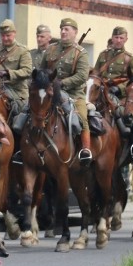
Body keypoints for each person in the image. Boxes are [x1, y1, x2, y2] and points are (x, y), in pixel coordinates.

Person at [37, 18, 92, 164]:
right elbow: (42, 70)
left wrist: (61, 83)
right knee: (27, 111)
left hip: (73, 94)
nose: (63, 32)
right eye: (62, 29)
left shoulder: (81, 53)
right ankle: (23, 148)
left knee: (81, 119)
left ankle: (85, 150)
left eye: (67, 29)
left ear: (75, 32)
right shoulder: (51, 49)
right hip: (49, 91)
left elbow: (82, 76)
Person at [0, 19, 32, 123]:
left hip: (16, 91)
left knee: (18, 112)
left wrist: (8, 73)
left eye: (8, 35)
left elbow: (27, 71)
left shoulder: (22, 51)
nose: (5, 38)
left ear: (14, 33)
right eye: (3, 36)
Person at [93, 26, 133, 100]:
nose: (118, 40)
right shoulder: (103, 54)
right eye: (116, 37)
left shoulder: (131, 58)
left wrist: (119, 88)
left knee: (120, 111)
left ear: (126, 40)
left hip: (120, 96)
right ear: (112, 38)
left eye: (121, 38)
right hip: (101, 92)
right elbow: (95, 74)